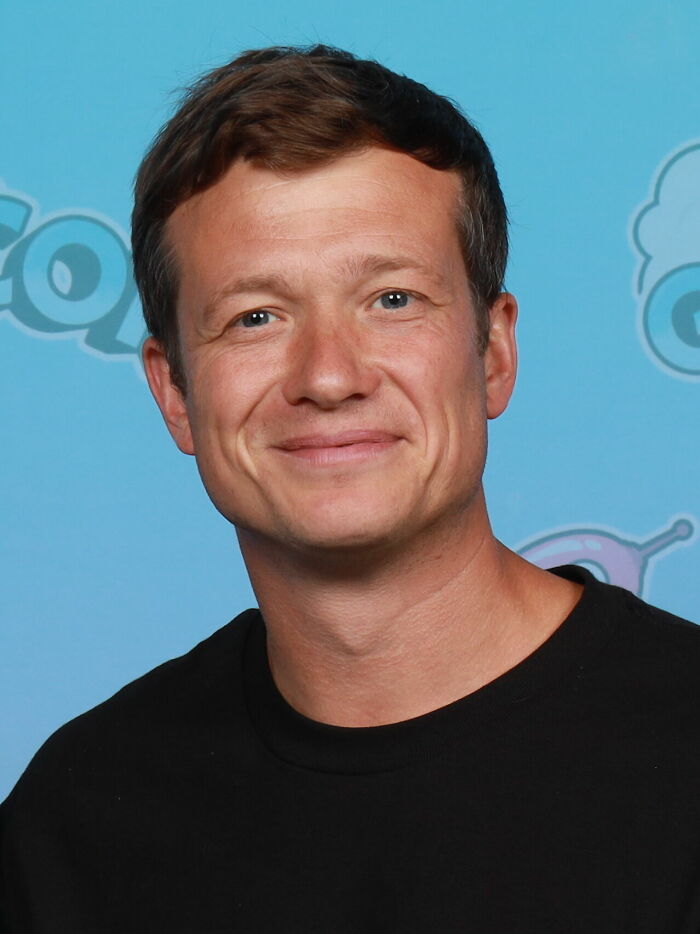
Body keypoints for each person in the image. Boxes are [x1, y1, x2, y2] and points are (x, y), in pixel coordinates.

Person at [2, 44, 699, 933]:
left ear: (493, 353)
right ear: (174, 393)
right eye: (255, 317)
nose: (329, 376)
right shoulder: (77, 820)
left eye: (392, 300)